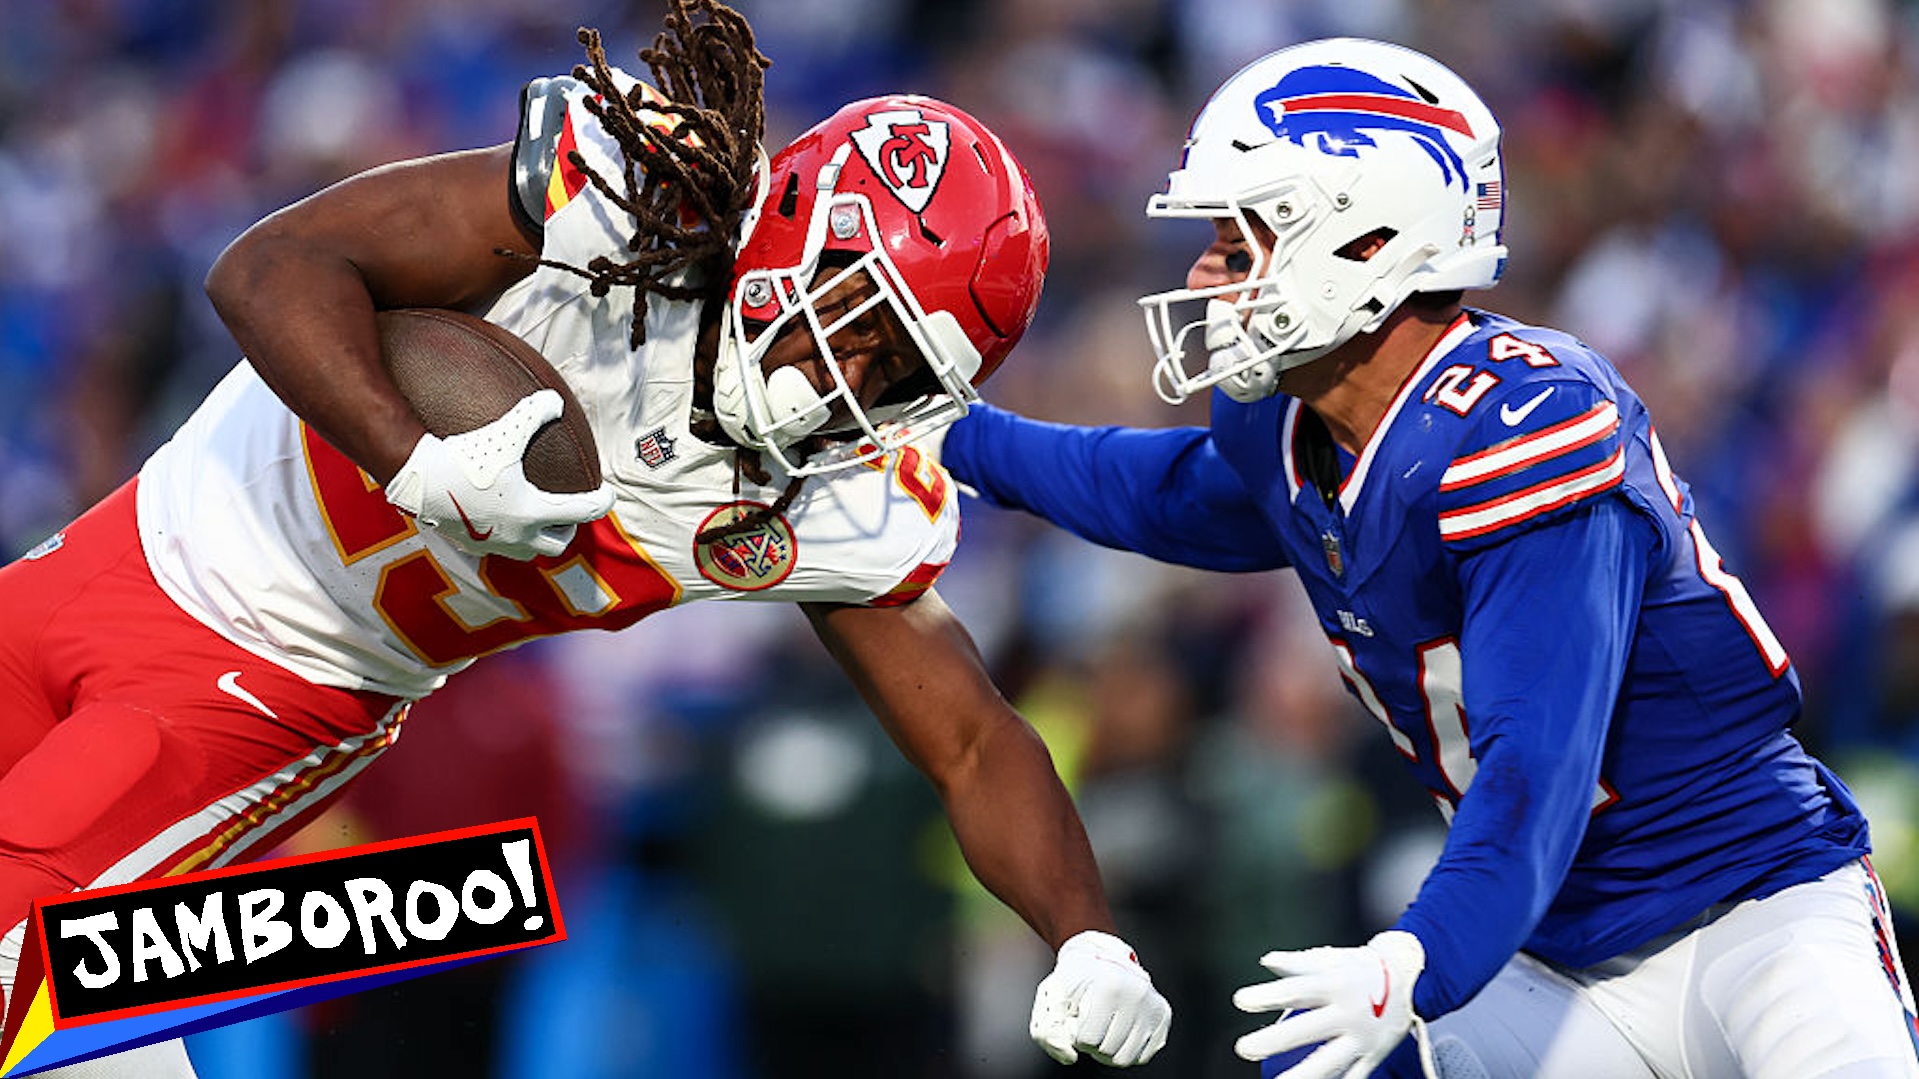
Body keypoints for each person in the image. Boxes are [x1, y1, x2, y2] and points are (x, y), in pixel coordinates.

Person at [0, 3, 1174, 1075]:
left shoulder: (844, 492)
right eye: (867, 326)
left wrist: (1088, 936)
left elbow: (971, 738)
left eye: (904, 375)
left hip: (274, 683)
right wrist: (413, 456)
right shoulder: (619, 200)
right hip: (115, 548)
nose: (853, 386)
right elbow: (267, 266)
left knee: (23, 957)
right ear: (798, 228)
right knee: (56, 990)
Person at [938, 36, 1919, 1079]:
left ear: (1367, 246)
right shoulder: (1291, 422)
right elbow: (1174, 496)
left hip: (1749, 914)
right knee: (1327, 1060)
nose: (1202, 272)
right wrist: (946, 435)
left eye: (1240, 240)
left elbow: (1534, 775)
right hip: (1548, 949)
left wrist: (1412, 959)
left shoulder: (1522, 424)